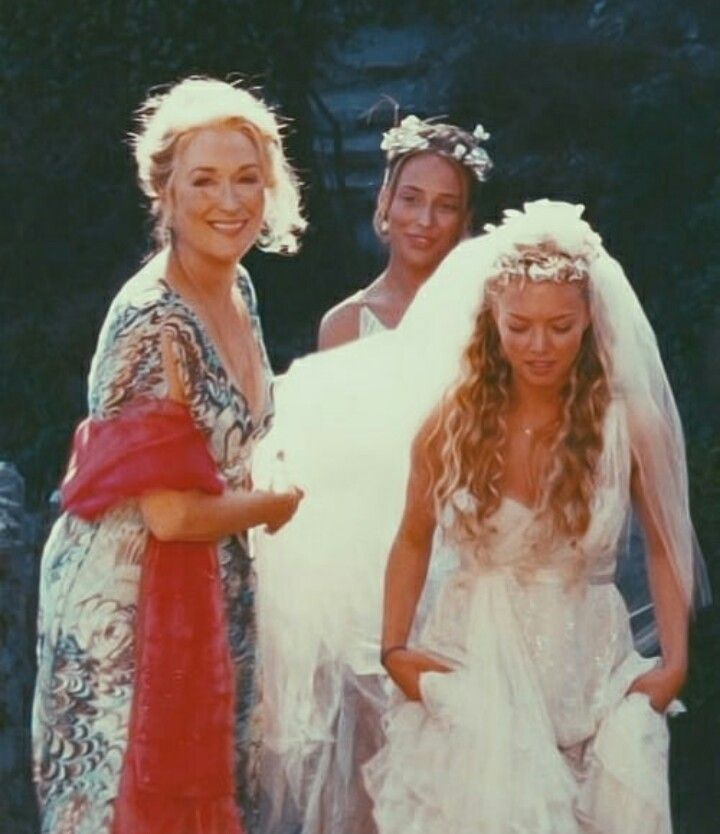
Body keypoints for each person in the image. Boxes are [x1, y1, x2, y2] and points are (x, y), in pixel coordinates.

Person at [253, 200, 708, 834]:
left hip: (592, 673)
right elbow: (412, 538)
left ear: (589, 320)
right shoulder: (453, 421)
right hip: (472, 668)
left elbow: (664, 543)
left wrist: (674, 662)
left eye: (560, 326)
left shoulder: (628, 423)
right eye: (519, 326)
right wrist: (395, 648)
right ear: (493, 319)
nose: (539, 346)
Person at [32, 77, 305, 834]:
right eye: (204, 180)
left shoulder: (238, 285)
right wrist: (278, 504)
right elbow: (173, 515)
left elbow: (230, 443)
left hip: (213, 582)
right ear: (166, 191)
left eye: (247, 179)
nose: (230, 201)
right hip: (130, 612)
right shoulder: (152, 320)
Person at [318, 114, 492, 348]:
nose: (425, 220)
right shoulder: (345, 326)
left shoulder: (494, 316)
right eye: (411, 199)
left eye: (446, 206)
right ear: (385, 201)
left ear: (465, 219)